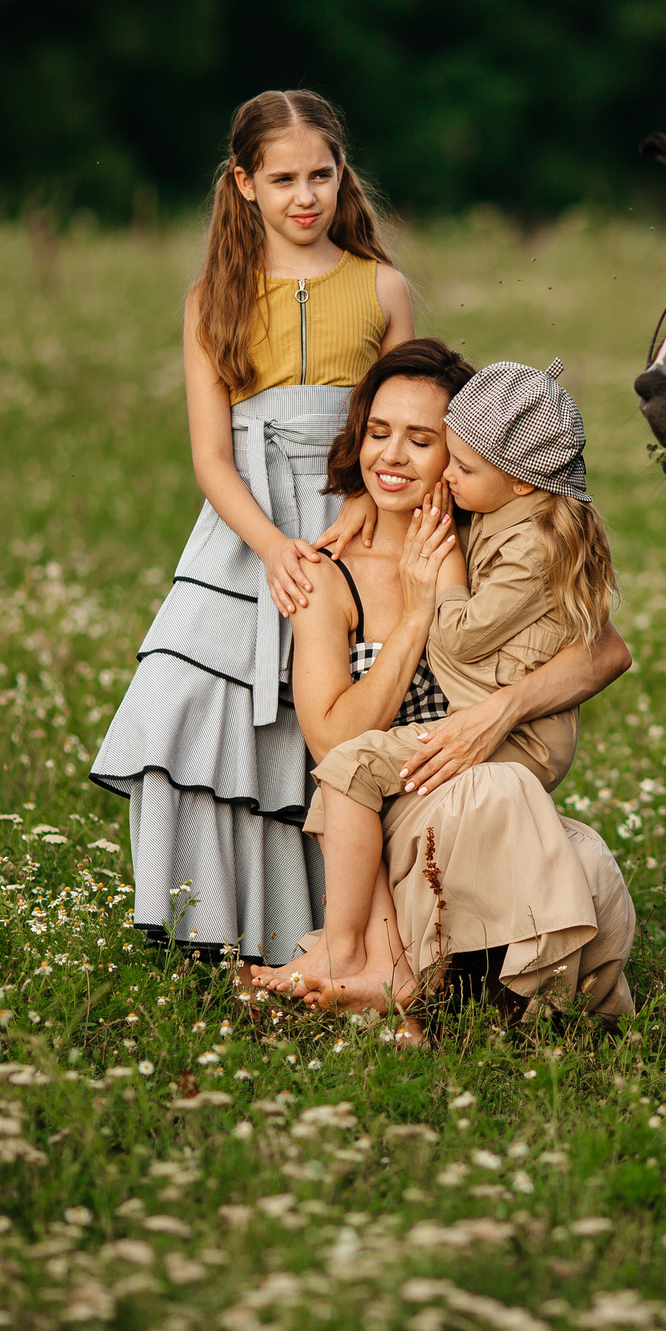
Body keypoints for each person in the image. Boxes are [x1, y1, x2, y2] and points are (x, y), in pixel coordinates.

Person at [88, 89, 412, 982]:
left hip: (352, 521)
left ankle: (344, 941)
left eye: (321, 175)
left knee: (335, 727)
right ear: (243, 183)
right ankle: (211, 921)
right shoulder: (212, 301)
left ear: (342, 174)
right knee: (184, 702)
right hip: (246, 528)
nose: (305, 196)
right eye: (282, 180)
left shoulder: (382, 288)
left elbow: (406, 422)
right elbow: (210, 456)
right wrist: (271, 547)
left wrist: (364, 504)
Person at [249, 346, 637, 1019]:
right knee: (503, 789)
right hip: (397, 803)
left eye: (424, 442)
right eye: (378, 433)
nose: (393, 456)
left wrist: (501, 710)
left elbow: (606, 652)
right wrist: (415, 615)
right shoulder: (330, 571)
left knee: (583, 855)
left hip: (468, 786)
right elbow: (334, 743)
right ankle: (383, 965)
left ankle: (501, 1014)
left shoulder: (488, 534)